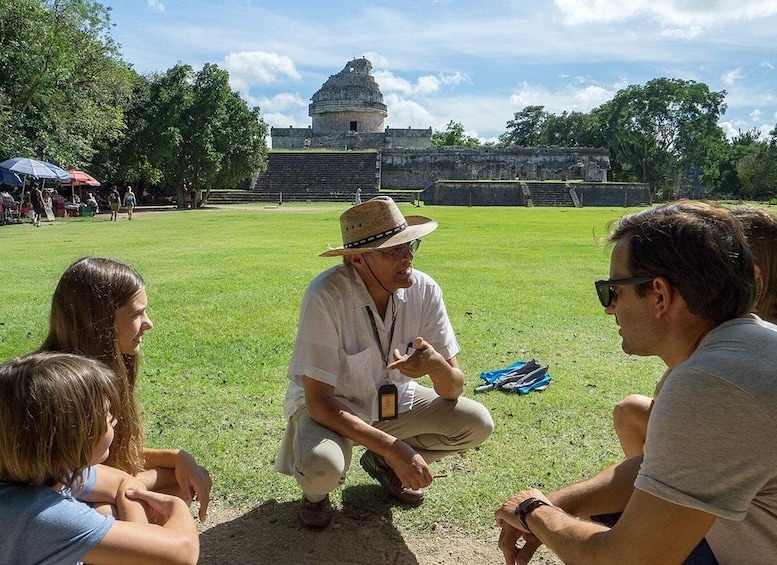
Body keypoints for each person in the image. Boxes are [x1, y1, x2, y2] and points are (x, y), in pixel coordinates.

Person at [496, 200, 777, 564]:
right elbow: (660, 467)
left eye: (612, 290)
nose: (609, 307)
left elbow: (627, 560)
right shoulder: (740, 349)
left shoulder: (712, 386)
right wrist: (561, 503)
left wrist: (534, 511)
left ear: (659, 295)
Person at [275, 196, 494, 530]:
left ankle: (381, 463)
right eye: (393, 250)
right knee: (322, 466)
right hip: (332, 413)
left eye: (410, 245)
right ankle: (316, 496)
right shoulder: (326, 295)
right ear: (358, 259)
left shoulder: (424, 290)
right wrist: (396, 449)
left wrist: (435, 365)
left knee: (477, 422)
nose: (407, 256)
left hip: (394, 407)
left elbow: (455, 388)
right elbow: (319, 403)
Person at [39, 256, 212, 521]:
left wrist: (178, 458)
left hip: (93, 489)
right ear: (98, 323)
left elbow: (116, 458)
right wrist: (158, 476)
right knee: (134, 505)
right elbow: (88, 480)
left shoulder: (102, 370)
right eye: (136, 314)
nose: (148, 323)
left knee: (184, 479)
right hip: (60, 508)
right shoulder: (63, 389)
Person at [0, 351, 199, 565]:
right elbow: (182, 552)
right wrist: (176, 506)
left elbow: (123, 484)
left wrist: (139, 539)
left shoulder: (48, 470)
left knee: (106, 509)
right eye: (105, 414)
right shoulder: (43, 515)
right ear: (74, 434)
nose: (113, 420)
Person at [612, 205, 777, 458]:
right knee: (629, 411)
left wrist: (535, 499)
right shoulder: (751, 339)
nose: (610, 308)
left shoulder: (715, 377)